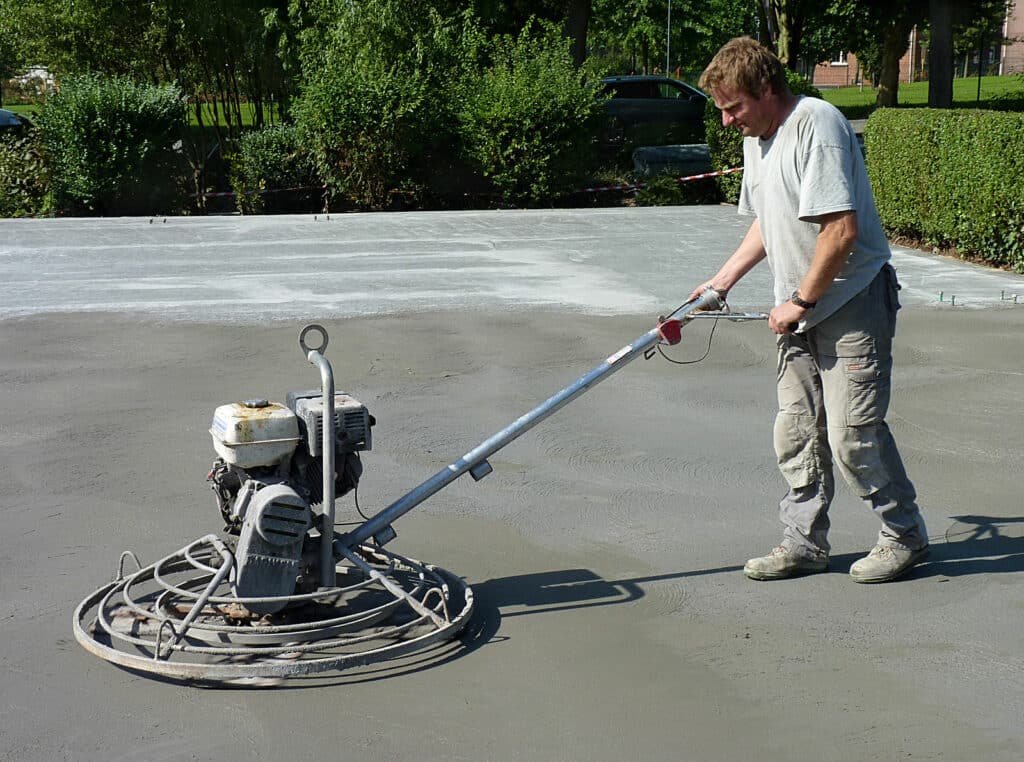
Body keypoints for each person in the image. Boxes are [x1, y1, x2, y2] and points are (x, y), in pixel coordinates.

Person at [693, 37, 928, 583]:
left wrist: (801, 300)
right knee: (796, 430)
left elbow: (841, 231)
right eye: (722, 110)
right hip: (799, 307)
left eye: (734, 108)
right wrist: (721, 281)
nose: (727, 122)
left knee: (852, 434)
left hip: (849, 301)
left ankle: (904, 536)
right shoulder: (759, 139)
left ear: (768, 89)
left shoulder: (816, 126)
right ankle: (803, 543)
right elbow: (767, 220)